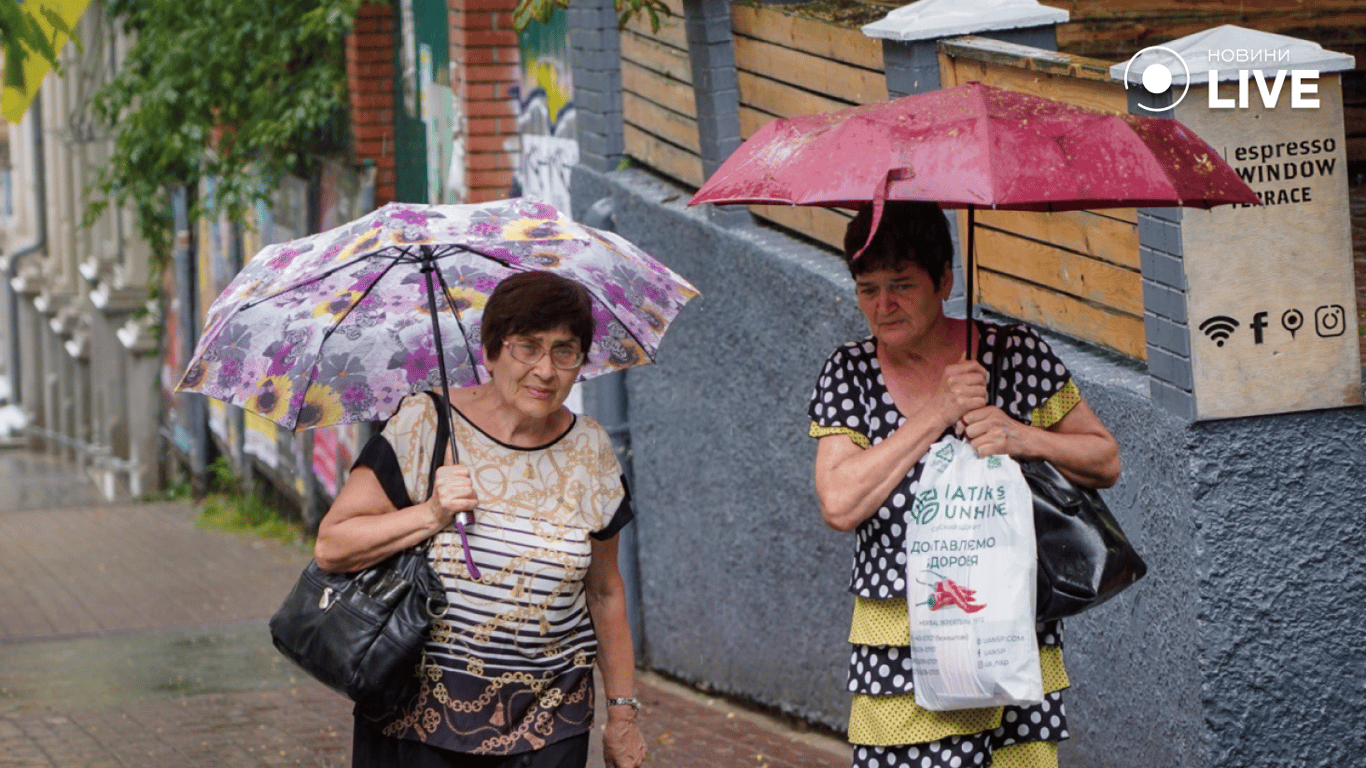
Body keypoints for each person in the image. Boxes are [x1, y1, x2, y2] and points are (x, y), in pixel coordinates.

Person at [807, 202, 1121, 768]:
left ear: (945, 279)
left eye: (902, 285)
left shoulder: (1016, 356)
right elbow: (839, 502)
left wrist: (1024, 437)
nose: (884, 305)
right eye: (868, 288)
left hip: (1008, 636)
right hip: (901, 649)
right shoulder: (848, 373)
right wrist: (936, 412)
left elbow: (1105, 460)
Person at [315, 271, 648, 768]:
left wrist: (622, 716)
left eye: (565, 351)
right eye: (527, 347)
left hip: (551, 720)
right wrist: (431, 513)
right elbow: (332, 545)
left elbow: (604, 590)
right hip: (420, 718)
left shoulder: (591, 449)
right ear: (491, 351)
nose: (545, 370)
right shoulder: (425, 423)